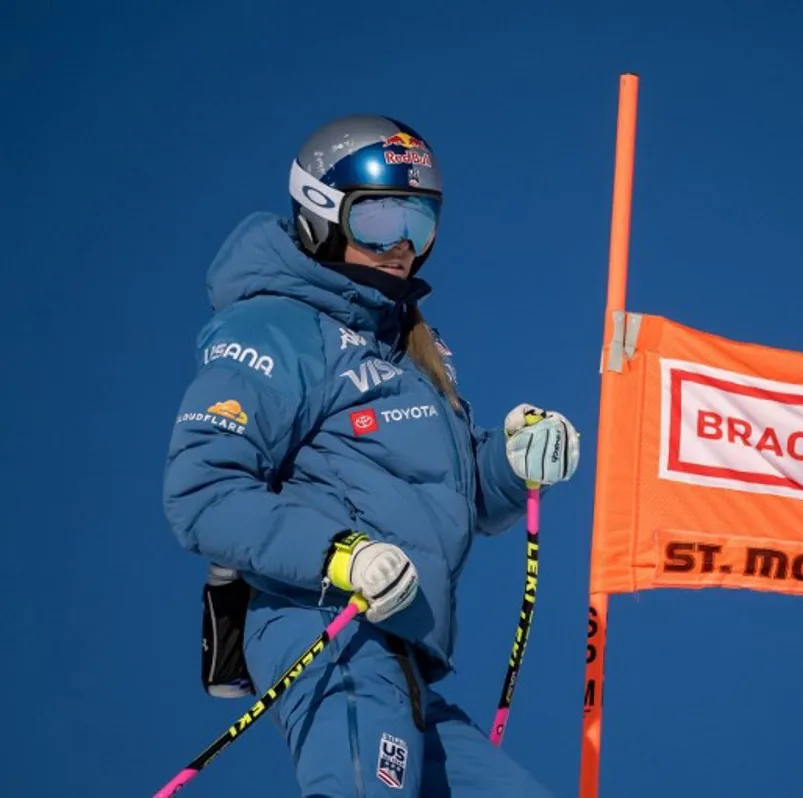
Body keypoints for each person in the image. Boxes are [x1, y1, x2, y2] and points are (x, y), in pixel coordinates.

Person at [162, 113, 580, 797]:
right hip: (327, 626)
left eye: (420, 225)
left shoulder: (408, 349)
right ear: (322, 215)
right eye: (380, 223)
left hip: (404, 654)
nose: (403, 248)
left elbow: (452, 495)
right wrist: (340, 552)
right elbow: (203, 493)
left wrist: (515, 460)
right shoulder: (277, 329)